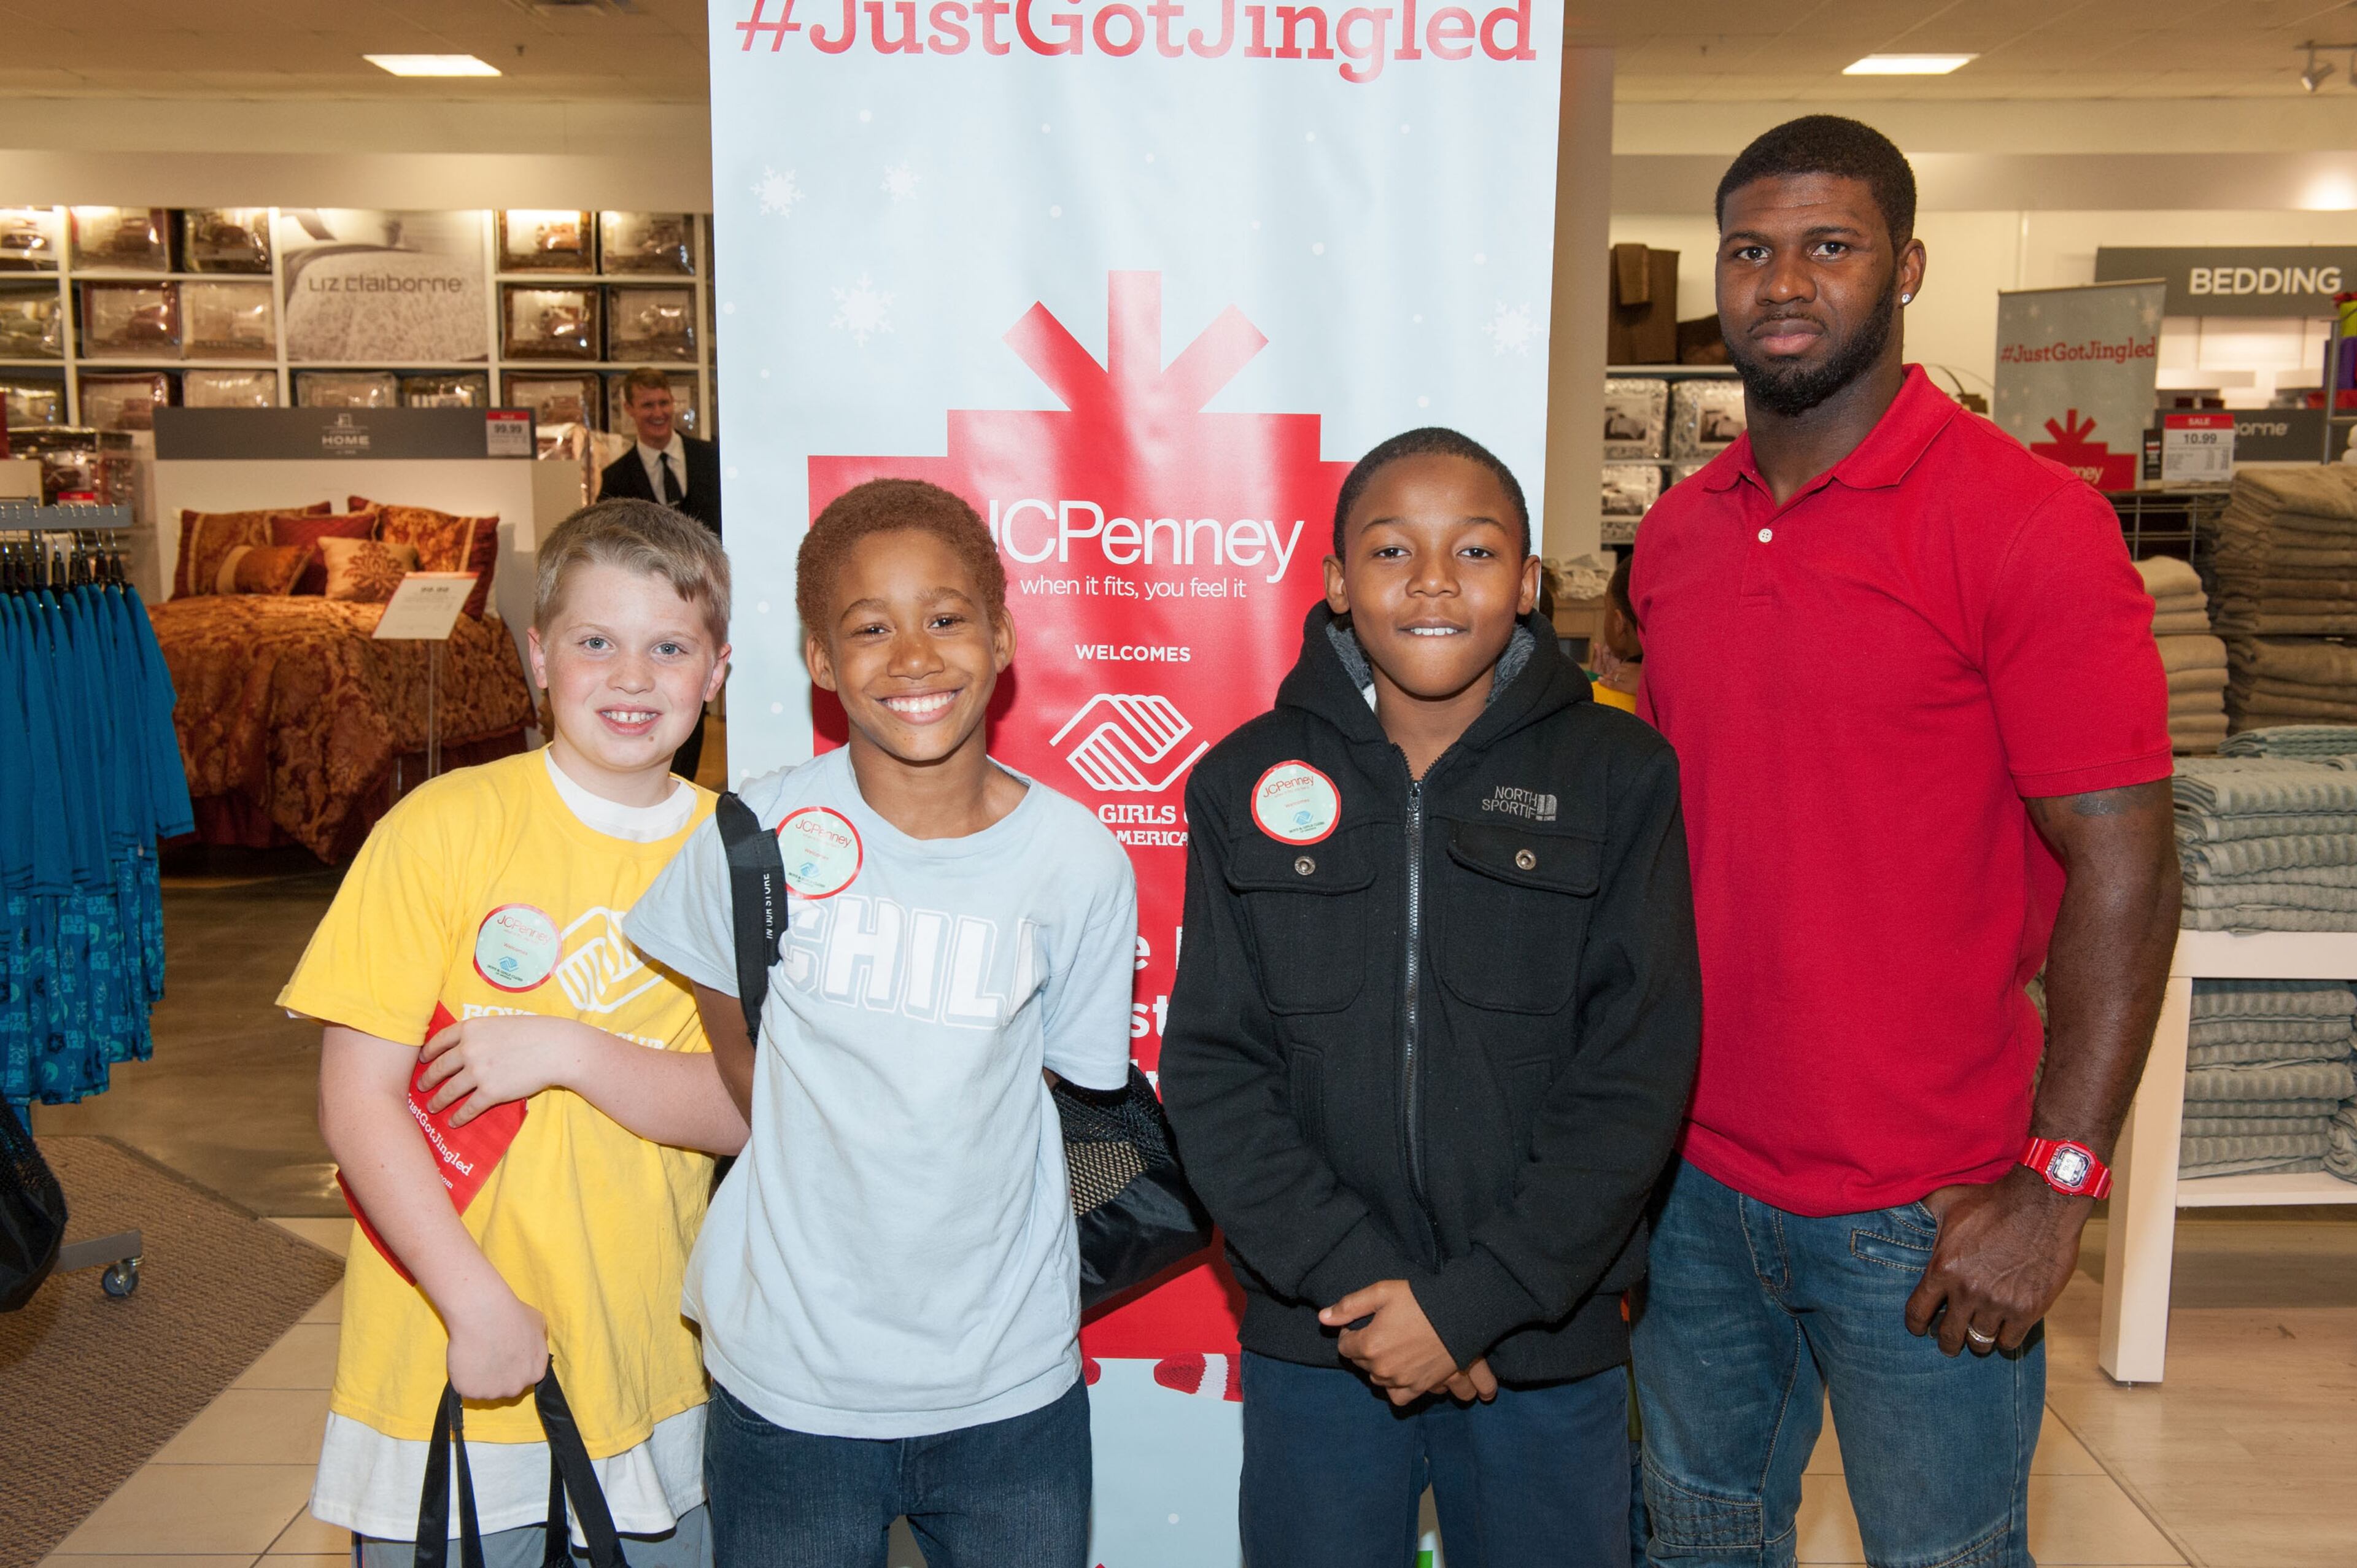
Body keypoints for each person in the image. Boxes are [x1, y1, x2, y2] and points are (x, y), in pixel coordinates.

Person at [1628, 116, 2179, 1568]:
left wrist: (2057, 1186)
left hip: (1928, 1210)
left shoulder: (2025, 527)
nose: (1782, 283)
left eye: (1829, 246)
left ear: (1906, 265)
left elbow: (2126, 866)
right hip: (1690, 1190)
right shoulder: (1678, 540)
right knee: (1691, 1542)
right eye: (1749, 251)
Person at [1159, 428, 1703, 1568]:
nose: (1436, 582)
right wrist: (1368, 1291)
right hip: (1321, 1337)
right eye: (1394, 550)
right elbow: (1215, 1071)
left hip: (1544, 1343)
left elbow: (1636, 1071)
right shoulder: (1241, 777)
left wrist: (1472, 1304)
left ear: (1531, 583)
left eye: (1478, 550)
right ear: (1337, 585)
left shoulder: (1621, 775)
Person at [621, 478, 1136, 1567]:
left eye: (946, 618)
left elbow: (1066, 1088)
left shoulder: (1077, 859)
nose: (913, 656)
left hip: (1012, 1390)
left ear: (1001, 638)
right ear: (819, 660)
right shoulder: (755, 832)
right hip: (789, 1389)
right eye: (869, 628)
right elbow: (743, 1059)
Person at [282, 498, 748, 1565]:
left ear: (716, 670)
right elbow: (356, 1100)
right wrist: (472, 1299)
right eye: (597, 643)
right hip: (445, 1346)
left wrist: (571, 1055)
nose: (632, 678)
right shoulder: (443, 826)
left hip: (648, 1359)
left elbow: (746, 1106)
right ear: (541, 656)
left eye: (669, 647)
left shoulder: (735, 852)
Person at [599, 367, 723, 781]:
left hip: (717, 599)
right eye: (648, 404)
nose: (658, 412)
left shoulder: (715, 458)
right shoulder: (614, 478)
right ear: (630, 409)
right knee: (676, 692)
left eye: (664, 402)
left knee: (701, 693)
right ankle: (665, 783)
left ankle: (686, 787)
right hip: (656, 615)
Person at [1589, 552, 1644, 714]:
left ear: (1618, 623)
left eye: (1607, 608)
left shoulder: (1593, 698)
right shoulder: (1683, 687)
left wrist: (1594, 683)